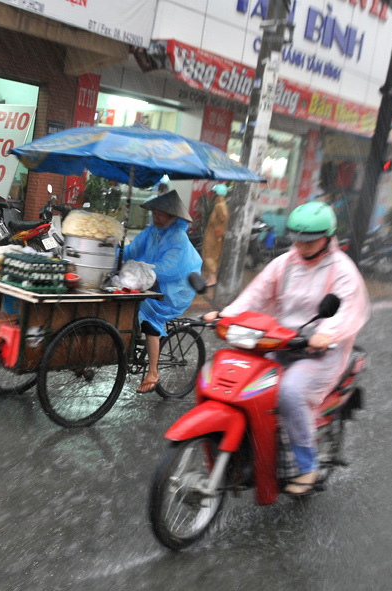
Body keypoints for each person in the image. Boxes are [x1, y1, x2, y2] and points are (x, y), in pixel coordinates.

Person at [202, 202, 370, 495]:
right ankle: (248, 451)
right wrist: (225, 315)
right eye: (297, 238)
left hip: (323, 353)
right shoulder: (285, 263)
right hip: (281, 343)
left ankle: (307, 467)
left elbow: (346, 310)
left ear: (328, 236)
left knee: (290, 391)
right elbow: (255, 295)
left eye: (310, 240)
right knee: (241, 382)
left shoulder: (342, 270)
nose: (301, 245)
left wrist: (326, 334)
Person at [123, 189, 203, 393]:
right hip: (153, 281)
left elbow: (168, 269)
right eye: (155, 213)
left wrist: (140, 271)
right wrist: (112, 256)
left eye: (161, 214)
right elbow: (132, 250)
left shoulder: (178, 239)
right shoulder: (151, 232)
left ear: (173, 217)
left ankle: (153, 373)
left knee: (150, 317)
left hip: (175, 290)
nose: (156, 218)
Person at [201, 184, 229, 287]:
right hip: (213, 235)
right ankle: (210, 277)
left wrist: (218, 232)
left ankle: (212, 279)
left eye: (215, 193)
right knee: (208, 254)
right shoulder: (219, 205)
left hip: (215, 236)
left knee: (210, 255)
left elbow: (224, 219)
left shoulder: (220, 206)